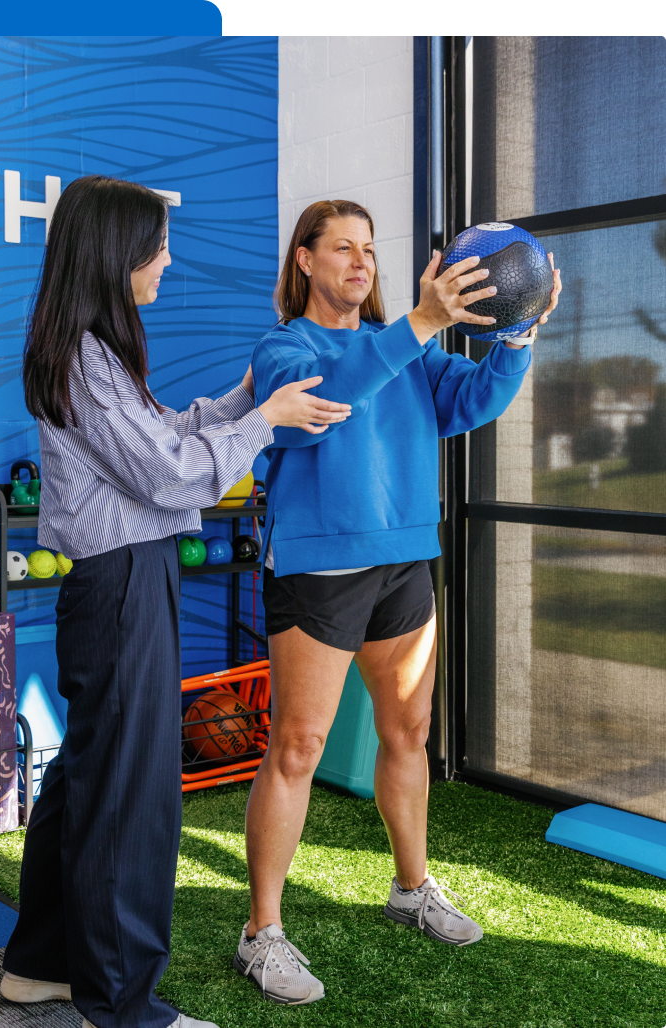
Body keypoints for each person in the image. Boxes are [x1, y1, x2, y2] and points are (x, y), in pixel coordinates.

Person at [0, 176, 352, 1028]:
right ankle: (121, 1005)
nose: (167, 260)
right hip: (120, 581)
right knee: (129, 794)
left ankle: (39, 965)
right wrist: (265, 420)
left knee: (87, 779)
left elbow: (166, 433)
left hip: (121, 578)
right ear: (117, 254)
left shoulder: (90, 351)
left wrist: (244, 398)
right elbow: (168, 472)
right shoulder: (83, 355)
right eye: (157, 246)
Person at [235, 199, 562, 1005]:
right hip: (318, 569)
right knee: (299, 747)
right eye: (341, 248)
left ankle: (410, 887)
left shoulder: (410, 354)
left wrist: (516, 335)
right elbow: (325, 406)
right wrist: (419, 321)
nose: (359, 262)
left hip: (405, 559)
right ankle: (260, 932)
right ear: (304, 260)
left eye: (369, 250)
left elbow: (477, 401)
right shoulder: (284, 347)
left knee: (408, 730)